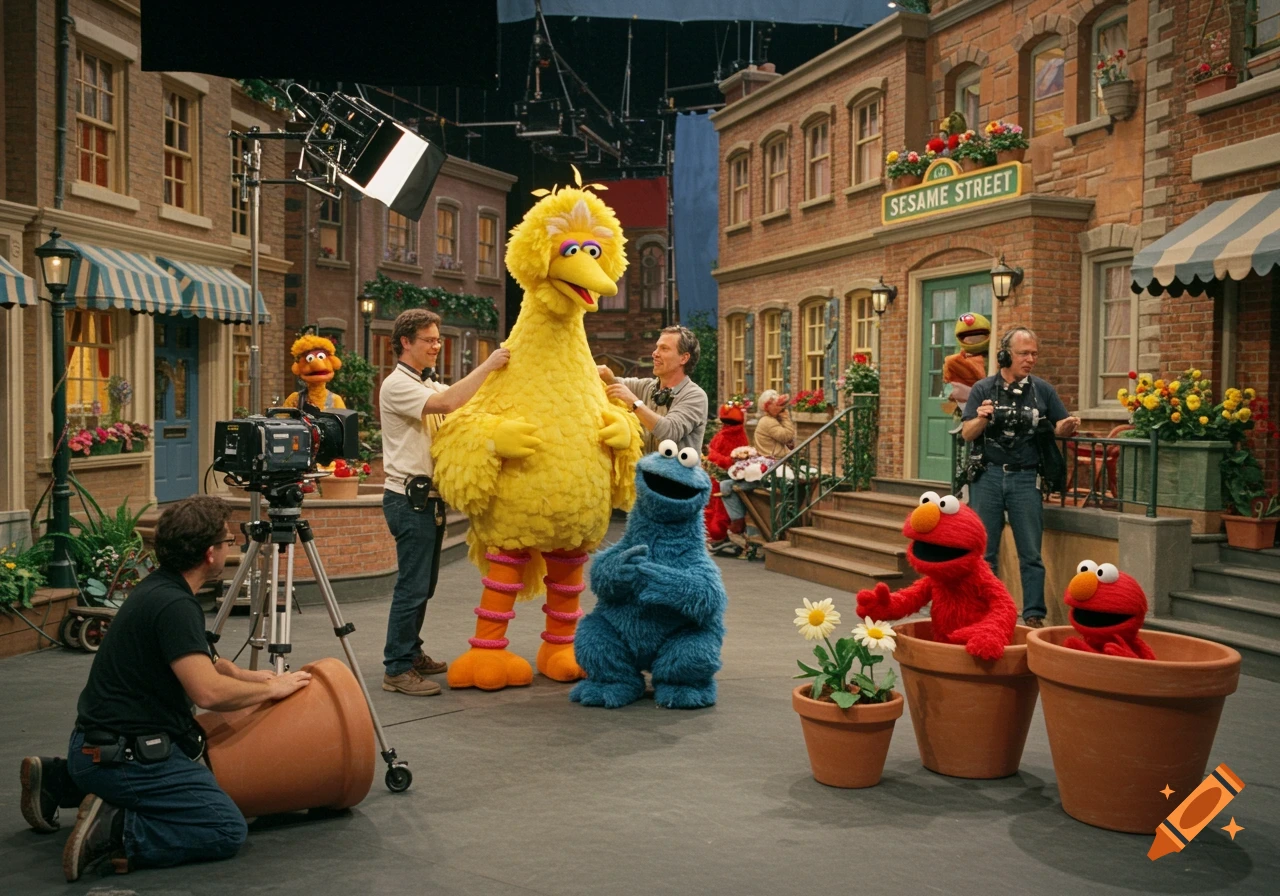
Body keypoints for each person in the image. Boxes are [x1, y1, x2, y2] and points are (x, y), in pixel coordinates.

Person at [19, 496, 313, 881]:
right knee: (225, 828)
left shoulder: (160, 588)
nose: (231, 547)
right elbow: (207, 692)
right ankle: (116, 831)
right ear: (210, 554)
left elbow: (211, 665)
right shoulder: (174, 606)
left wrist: (260, 678)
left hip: (93, 749)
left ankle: (59, 781)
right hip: (124, 759)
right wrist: (271, 693)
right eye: (227, 541)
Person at [378, 308, 511, 696]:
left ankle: (410, 651)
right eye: (429, 340)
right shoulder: (397, 385)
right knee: (412, 586)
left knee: (424, 585)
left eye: (439, 339)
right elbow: (452, 403)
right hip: (409, 499)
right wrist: (488, 364)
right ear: (406, 342)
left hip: (426, 500)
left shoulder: (426, 383)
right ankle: (397, 668)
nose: (437, 346)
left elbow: (463, 401)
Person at [961, 327, 1079, 628]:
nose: (1030, 359)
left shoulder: (1043, 390)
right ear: (1005, 355)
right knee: (985, 552)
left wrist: (1065, 427)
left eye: (1034, 354)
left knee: (1030, 552)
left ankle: (1034, 615)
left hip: (1025, 478)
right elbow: (967, 433)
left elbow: (1057, 427)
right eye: (1023, 353)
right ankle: (985, 610)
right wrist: (981, 418)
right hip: (987, 476)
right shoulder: (982, 389)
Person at [598, 325, 708, 454]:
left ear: (684, 358)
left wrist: (635, 403)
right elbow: (615, 384)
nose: (655, 353)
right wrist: (606, 375)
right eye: (657, 347)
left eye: (664, 349)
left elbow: (669, 432)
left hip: (677, 474)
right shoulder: (647, 387)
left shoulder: (695, 396)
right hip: (644, 474)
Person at [717, 389, 795, 550]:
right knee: (732, 486)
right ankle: (739, 524)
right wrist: (787, 419)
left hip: (770, 464)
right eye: (777, 405)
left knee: (727, 485)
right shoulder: (768, 422)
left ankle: (739, 525)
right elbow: (787, 435)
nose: (782, 408)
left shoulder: (771, 419)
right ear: (768, 407)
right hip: (771, 466)